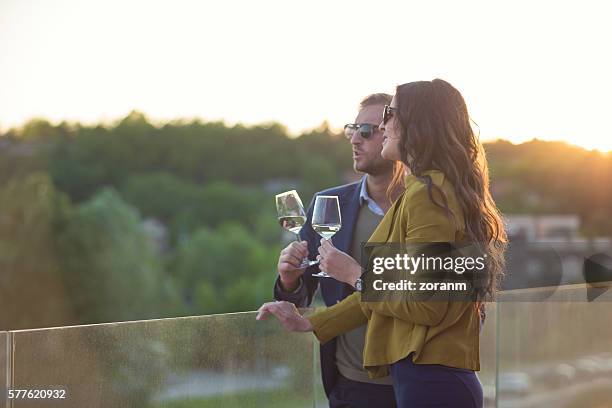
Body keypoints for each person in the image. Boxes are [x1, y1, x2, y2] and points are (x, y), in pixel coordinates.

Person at [258, 79, 507, 408]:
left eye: (390, 114)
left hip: (431, 380)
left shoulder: (428, 197)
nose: (384, 124)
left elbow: (427, 303)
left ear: (416, 125)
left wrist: (353, 275)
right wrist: (311, 321)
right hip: (427, 378)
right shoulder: (433, 191)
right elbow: (391, 291)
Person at [272, 93, 402, 407]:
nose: (354, 139)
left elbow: (430, 294)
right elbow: (302, 296)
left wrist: (354, 274)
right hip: (352, 385)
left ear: (396, 134)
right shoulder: (329, 204)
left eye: (367, 131)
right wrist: (290, 280)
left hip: (414, 378)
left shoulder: (425, 209)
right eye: (351, 130)